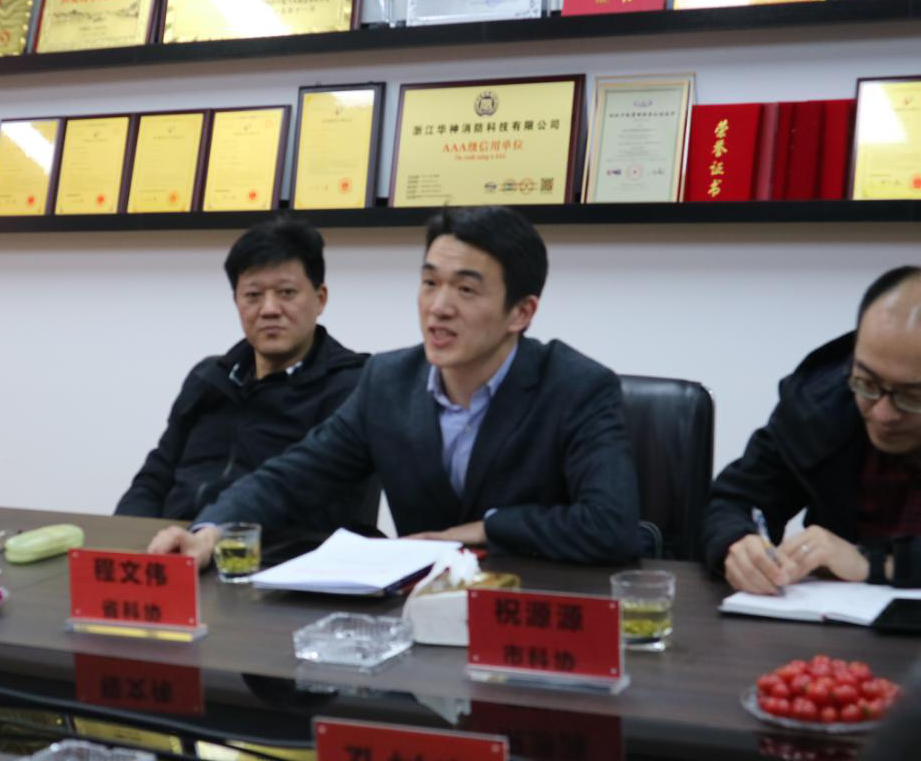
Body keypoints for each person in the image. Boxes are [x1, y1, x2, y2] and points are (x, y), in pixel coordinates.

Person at [148, 205, 640, 566]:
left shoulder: (577, 387)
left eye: (466, 289)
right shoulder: (387, 382)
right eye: (430, 283)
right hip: (423, 611)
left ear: (521, 312)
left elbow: (611, 526)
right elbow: (292, 477)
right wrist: (209, 533)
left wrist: (483, 530)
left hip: (539, 612)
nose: (439, 307)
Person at [116, 216, 370, 530]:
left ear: (320, 299)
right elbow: (155, 477)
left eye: (286, 292)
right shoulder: (209, 378)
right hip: (174, 544)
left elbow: (320, 501)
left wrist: (208, 535)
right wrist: (126, 537)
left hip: (271, 551)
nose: (269, 309)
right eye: (253, 295)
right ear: (236, 300)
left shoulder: (352, 385)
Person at [704, 266, 921, 593]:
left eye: (911, 397)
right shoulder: (820, 403)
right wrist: (737, 543)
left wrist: (874, 564)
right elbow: (735, 499)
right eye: (867, 383)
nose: (882, 413)